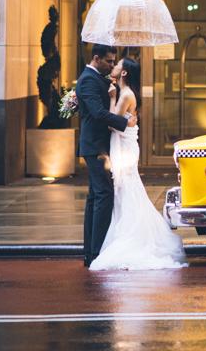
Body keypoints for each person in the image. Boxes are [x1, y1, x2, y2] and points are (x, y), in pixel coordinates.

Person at [89, 57, 187, 271]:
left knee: (126, 187)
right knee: (124, 188)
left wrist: (113, 97)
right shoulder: (126, 92)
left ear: (124, 73)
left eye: (117, 65)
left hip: (124, 147)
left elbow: (113, 123)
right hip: (123, 145)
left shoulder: (125, 95)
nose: (113, 66)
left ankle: (130, 234)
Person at [77, 44, 135, 268]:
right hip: (96, 147)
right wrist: (125, 122)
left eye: (114, 62)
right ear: (96, 58)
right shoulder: (88, 80)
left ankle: (91, 253)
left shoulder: (96, 78)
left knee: (95, 198)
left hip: (98, 146)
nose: (112, 65)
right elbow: (98, 113)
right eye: (109, 61)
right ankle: (96, 252)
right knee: (103, 196)